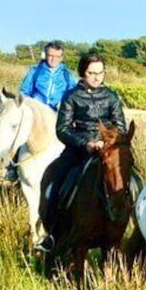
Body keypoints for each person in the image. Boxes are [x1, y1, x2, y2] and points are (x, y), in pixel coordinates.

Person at [35, 52, 127, 253]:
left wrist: (108, 143)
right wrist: (86, 144)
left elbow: (121, 127)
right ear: (83, 73)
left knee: (132, 180)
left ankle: (134, 229)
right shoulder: (71, 96)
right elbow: (62, 129)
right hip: (78, 150)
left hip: (108, 150)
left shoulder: (112, 96)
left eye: (100, 73)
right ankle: (50, 234)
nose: (96, 77)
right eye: (91, 73)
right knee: (54, 183)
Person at [6, 41, 78, 180]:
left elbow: (73, 94)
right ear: (45, 55)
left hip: (57, 112)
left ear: (61, 57)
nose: (52, 59)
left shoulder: (67, 75)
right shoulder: (35, 71)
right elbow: (23, 92)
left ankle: (71, 168)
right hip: (35, 113)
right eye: (50, 55)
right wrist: (30, 103)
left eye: (56, 56)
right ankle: (13, 167)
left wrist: (64, 105)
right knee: (20, 131)